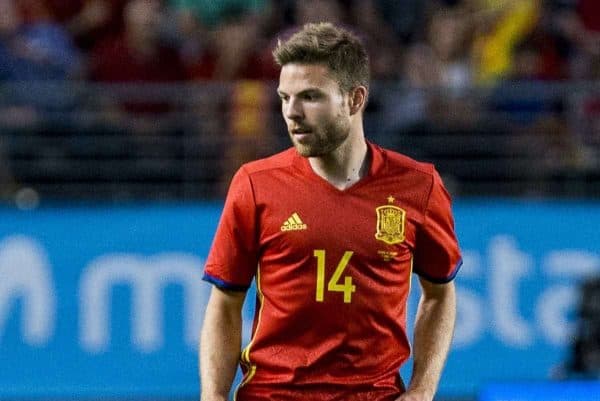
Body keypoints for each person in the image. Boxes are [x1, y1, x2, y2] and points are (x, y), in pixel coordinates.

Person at [200, 22, 462, 401]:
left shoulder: (418, 187)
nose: (292, 112)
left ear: (355, 100)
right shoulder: (254, 184)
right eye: (285, 97)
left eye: (310, 97)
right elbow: (224, 304)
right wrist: (213, 396)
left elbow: (440, 294)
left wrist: (422, 389)